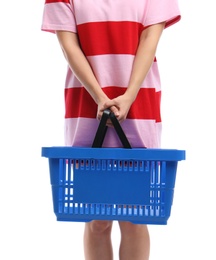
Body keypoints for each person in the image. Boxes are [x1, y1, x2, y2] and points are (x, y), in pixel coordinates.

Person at [41, 0, 181, 259]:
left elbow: (151, 36)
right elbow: (67, 44)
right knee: (96, 218)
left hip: (139, 102)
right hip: (86, 105)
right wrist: (98, 96)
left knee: (135, 216)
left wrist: (129, 96)